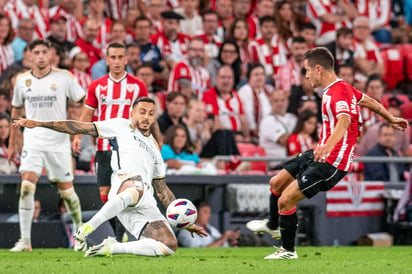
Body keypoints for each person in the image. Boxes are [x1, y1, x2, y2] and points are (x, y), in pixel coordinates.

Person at [246, 47, 408, 259]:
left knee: (285, 201)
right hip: (319, 153)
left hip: (332, 163)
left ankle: (287, 251)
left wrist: (328, 145)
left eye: (307, 70)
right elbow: (367, 100)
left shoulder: (337, 93)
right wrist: (390, 117)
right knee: (276, 183)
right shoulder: (342, 88)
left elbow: (344, 120)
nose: (306, 75)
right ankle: (273, 225)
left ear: (319, 69)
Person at [13, 96, 207, 257]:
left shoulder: (156, 150)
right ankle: (87, 228)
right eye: (142, 112)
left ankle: (111, 247)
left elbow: (162, 190)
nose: (146, 117)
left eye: (150, 113)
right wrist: (40, 124)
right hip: (125, 184)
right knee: (137, 186)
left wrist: (183, 220)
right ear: (132, 114)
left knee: (168, 245)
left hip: (145, 201)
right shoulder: (120, 125)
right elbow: (80, 127)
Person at [8, 39, 85, 252]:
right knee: (26, 187)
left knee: (67, 192)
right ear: (30, 55)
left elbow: (83, 103)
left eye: (44, 51)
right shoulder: (22, 81)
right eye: (37, 52)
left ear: (50, 54)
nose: (41, 56)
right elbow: (15, 111)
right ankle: (25, 240)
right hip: (32, 139)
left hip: (59, 141)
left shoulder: (64, 78)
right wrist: (12, 142)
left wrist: (77, 134)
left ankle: (79, 234)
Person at [72, 42, 149, 209]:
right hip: (103, 146)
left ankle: (121, 236)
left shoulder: (138, 86)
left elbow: (146, 115)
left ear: (126, 59)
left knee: (125, 193)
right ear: (107, 60)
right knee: (105, 196)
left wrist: (151, 141)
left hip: (128, 148)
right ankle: (118, 234)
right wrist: (78, 136)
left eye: (120, 57)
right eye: (113, 57)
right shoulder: (96, 86)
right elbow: (86, 114)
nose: (116, 61)